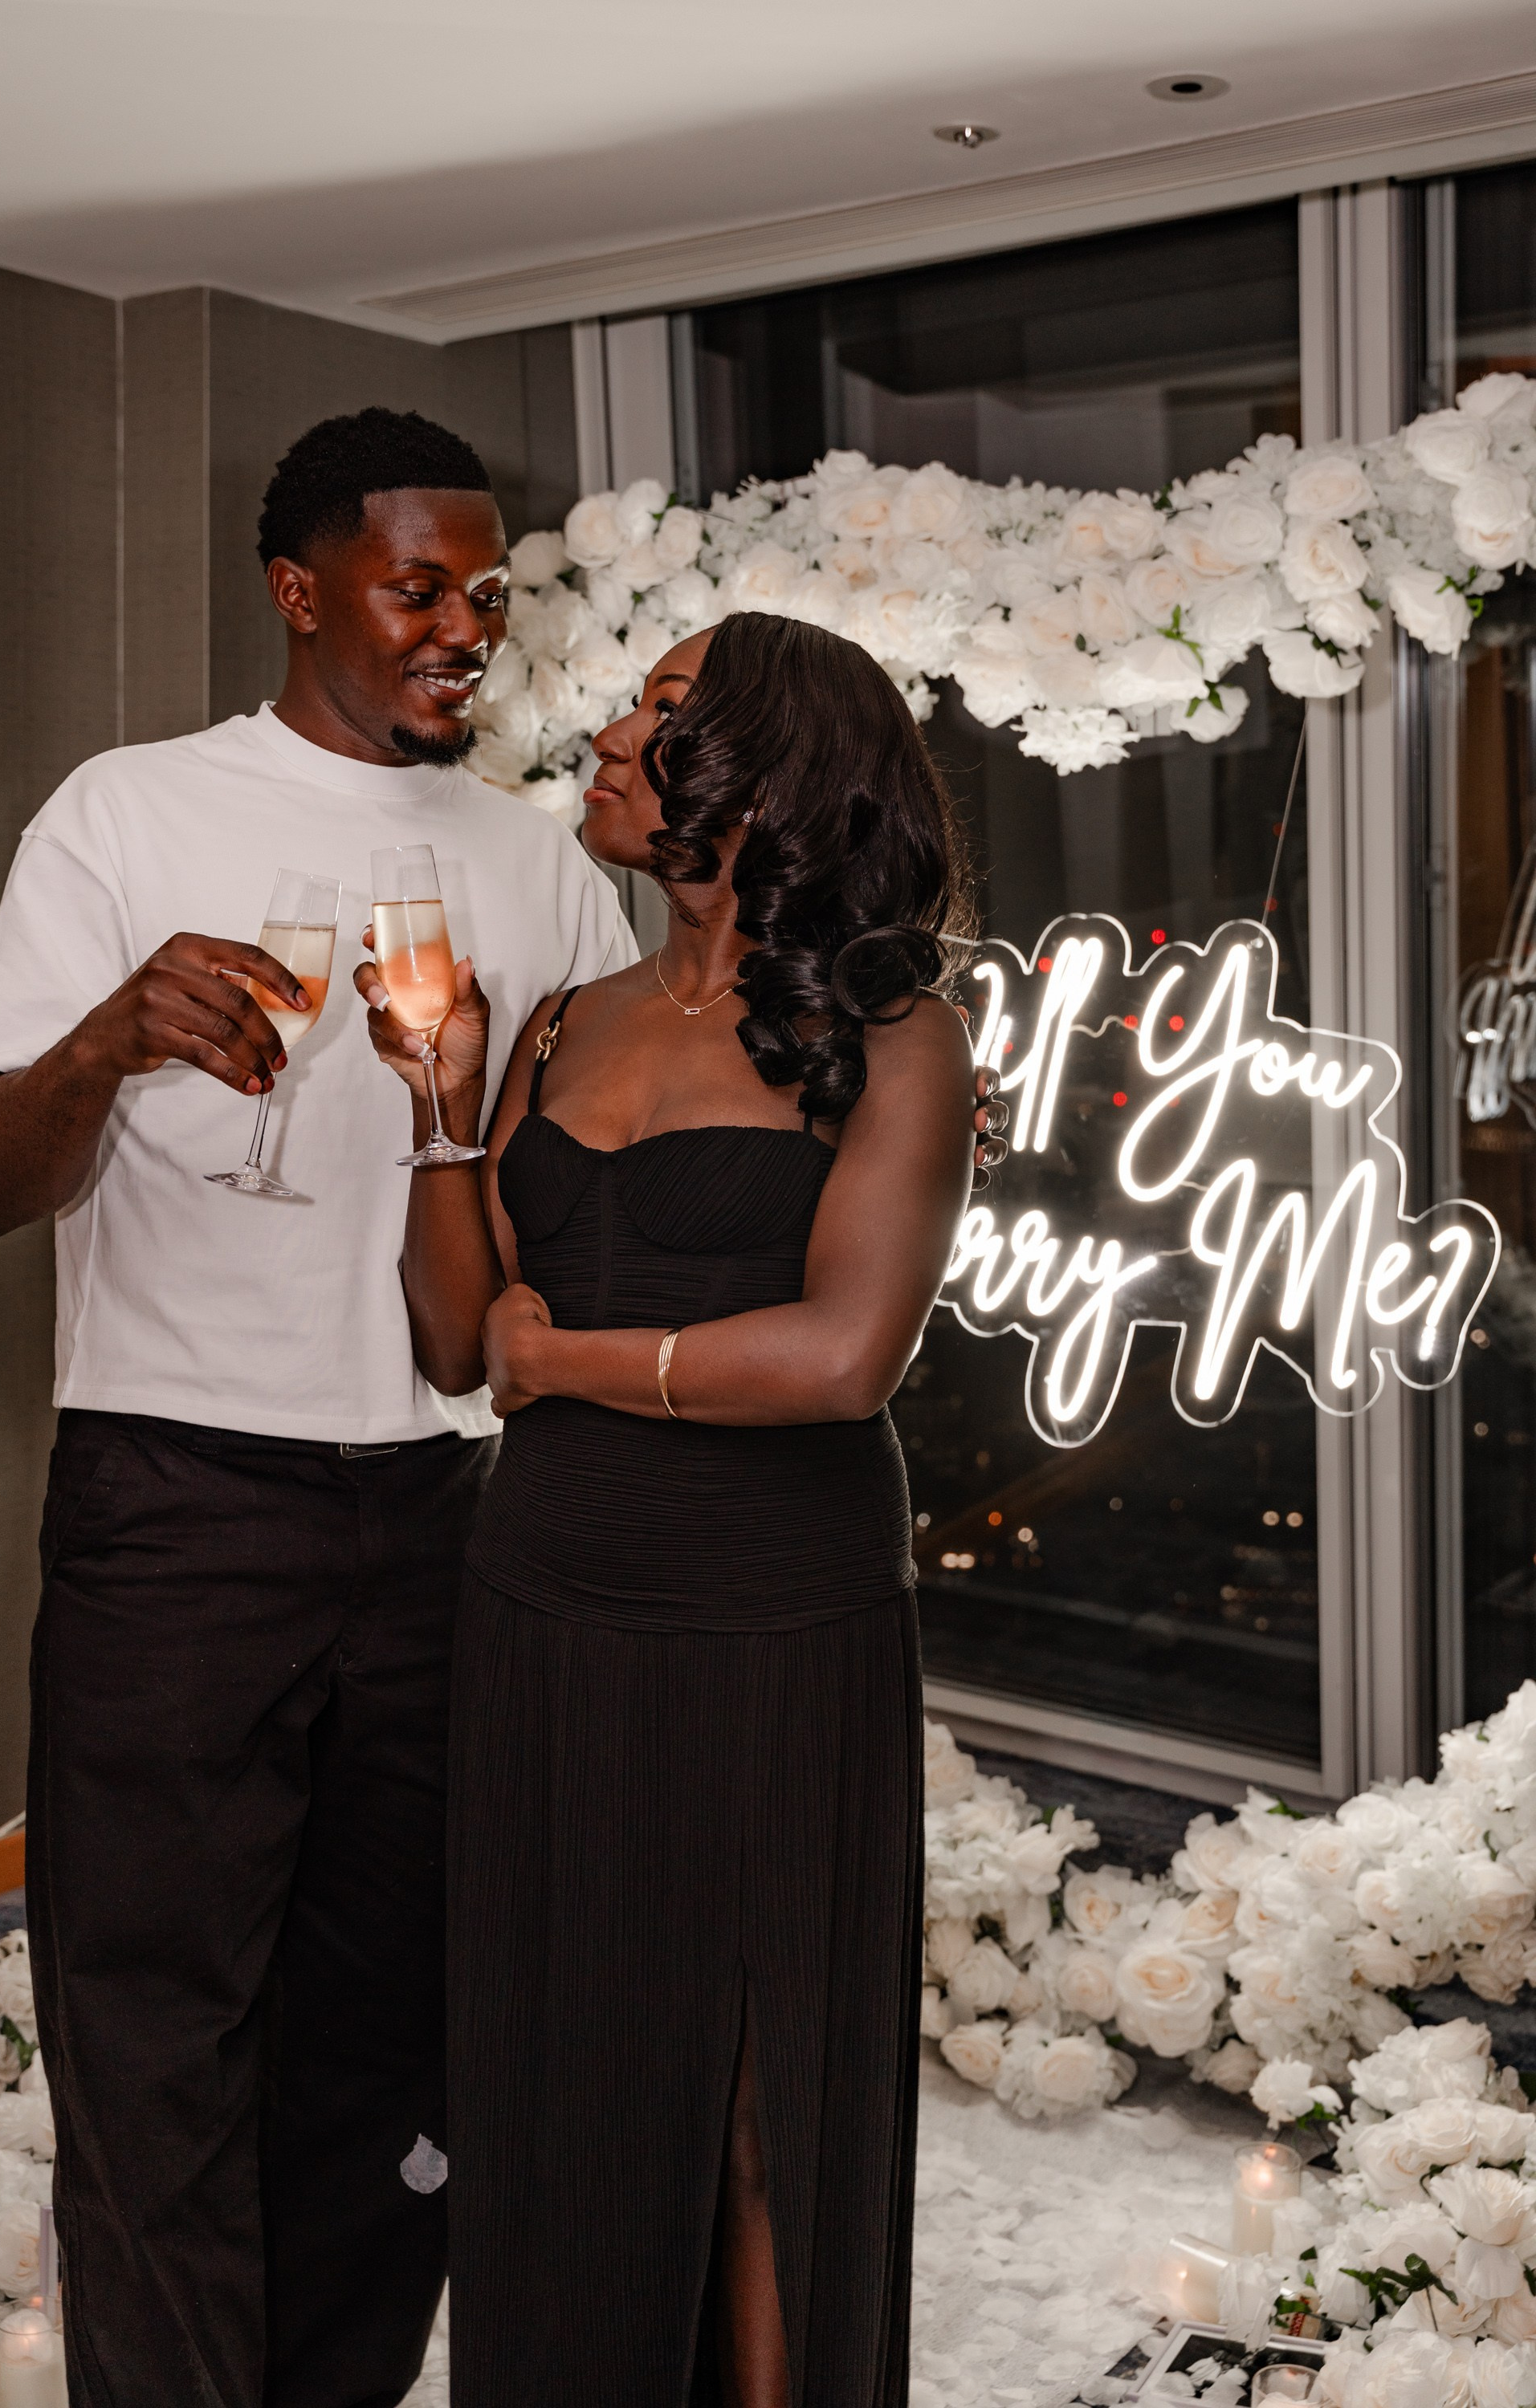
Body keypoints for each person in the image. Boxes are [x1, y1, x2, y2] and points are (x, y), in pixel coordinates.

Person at [0, 408, 639, 2408]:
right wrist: (114, 1026)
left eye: (486, 594)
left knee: (400, 2032)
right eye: (420, 588)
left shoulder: (534, 867)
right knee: (154, 2032)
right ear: (298, 587)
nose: (463, 631)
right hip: (178, 1501)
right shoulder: (126, 814)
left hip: (451, 1516)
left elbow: (565, 1215)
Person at [356, 612, 980, 2406]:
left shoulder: (897, 1038)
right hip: (544, 1612)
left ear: (770, 771)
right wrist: (441, 1110)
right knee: (558, 2091)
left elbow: (842, 1355)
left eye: (660, 709)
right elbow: (463, 1337)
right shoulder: (560, 1015)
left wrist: (583, 1367)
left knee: (758, 2108)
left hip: (770, 1629)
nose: (612, 734)